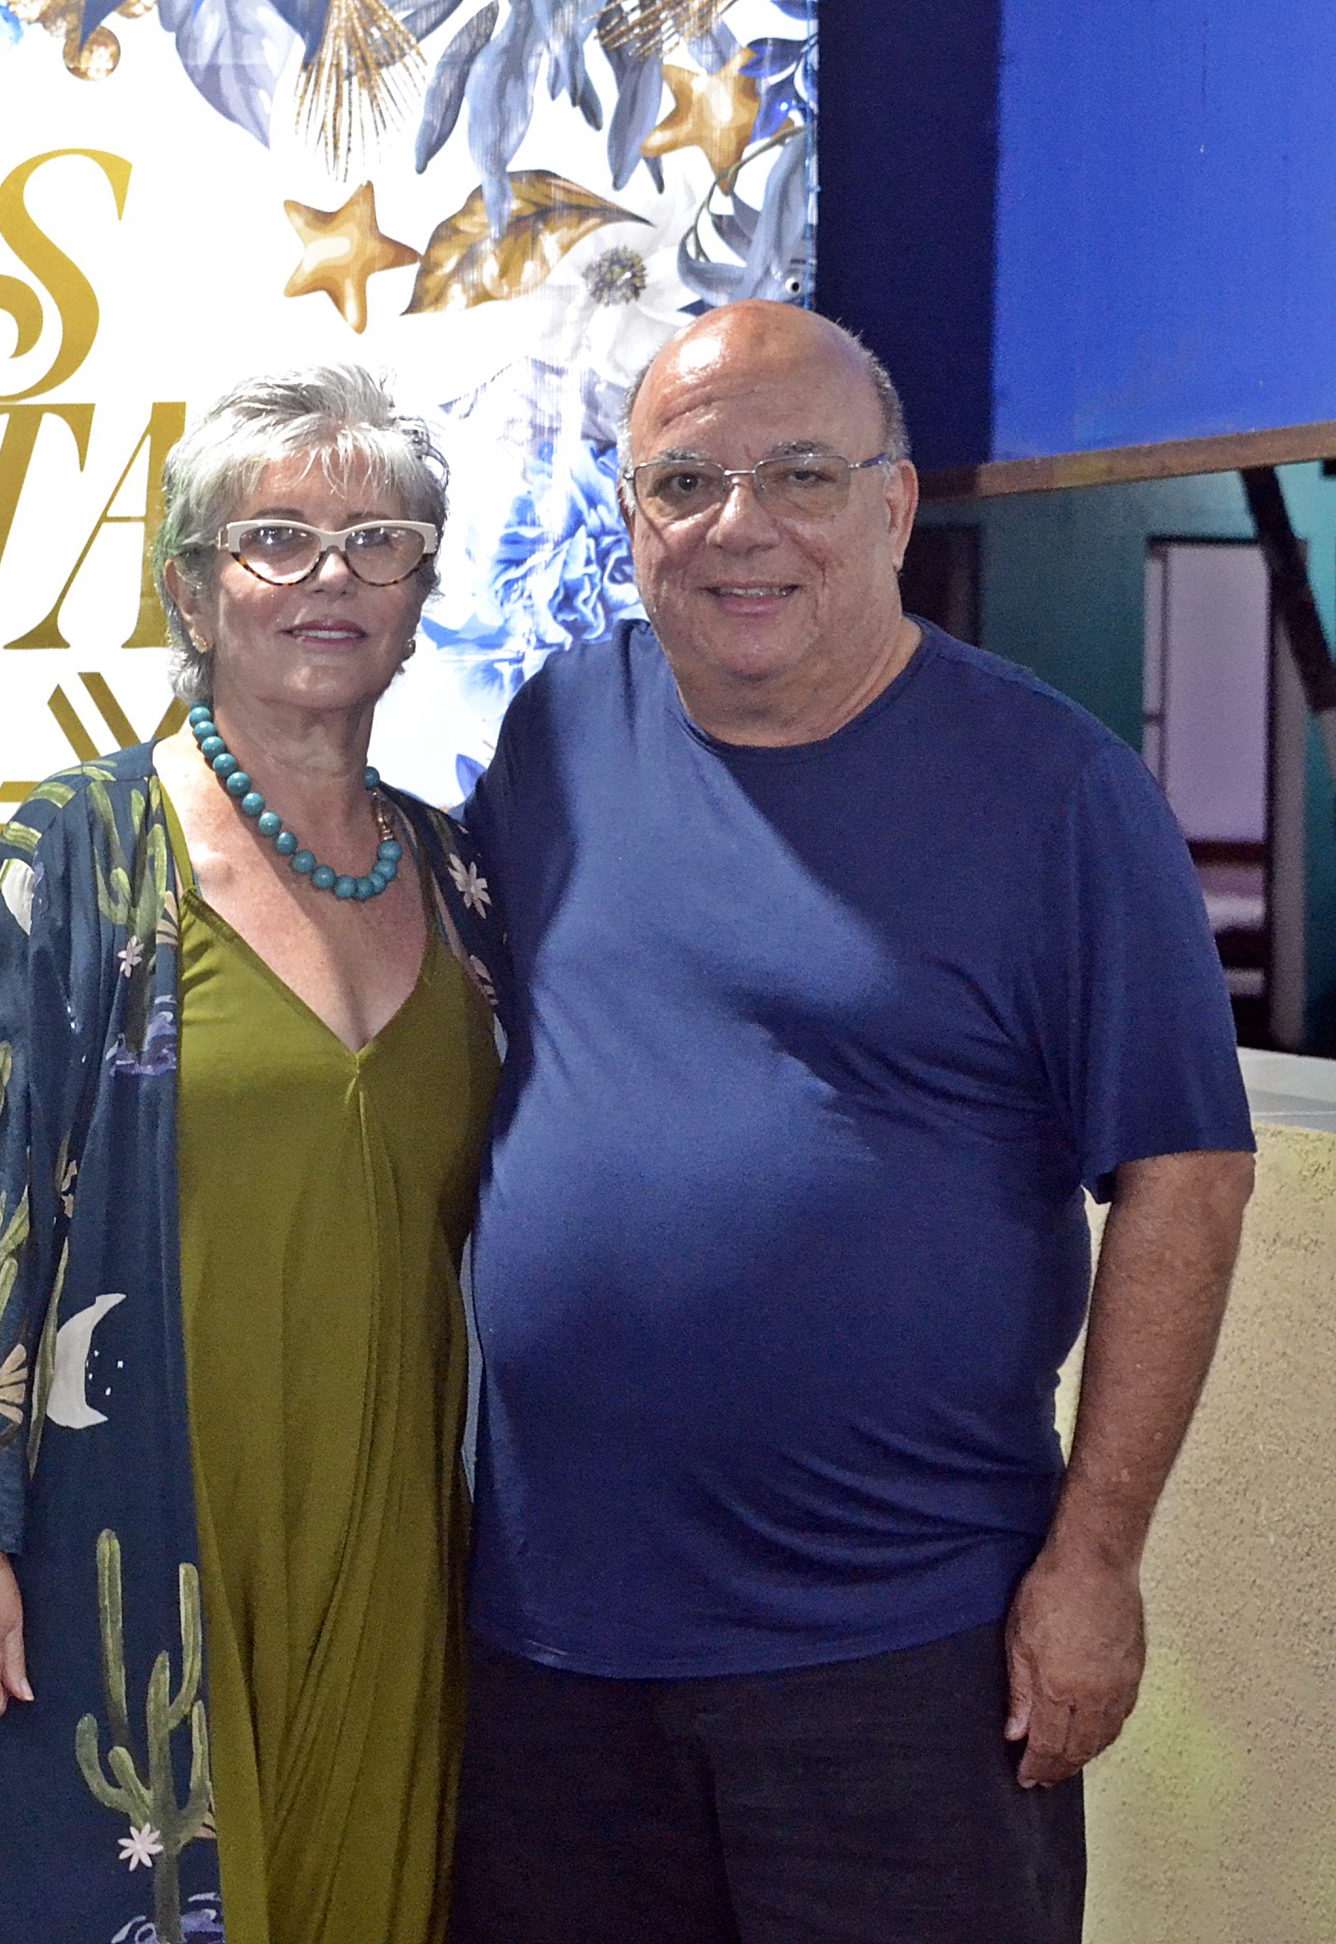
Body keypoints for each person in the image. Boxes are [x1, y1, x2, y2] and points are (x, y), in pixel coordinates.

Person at [453, 299, 1256, 1943]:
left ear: (893, 507)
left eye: (801, 475)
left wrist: (1096, 1562)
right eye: (685, 484)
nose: (738, 526)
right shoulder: (558, 735)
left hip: (905, 1658)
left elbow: (1186, 1178)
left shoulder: (1058, 795)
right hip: (553, 1652)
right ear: (631, 520)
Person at [0, 365, 503, 1944]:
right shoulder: (79, 851)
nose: (330, 576)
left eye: (379, 540)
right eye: (276, 539)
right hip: (118, 1538)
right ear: (191, 592)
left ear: (421, 594)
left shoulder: (463, 875)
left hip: (392, 1532)